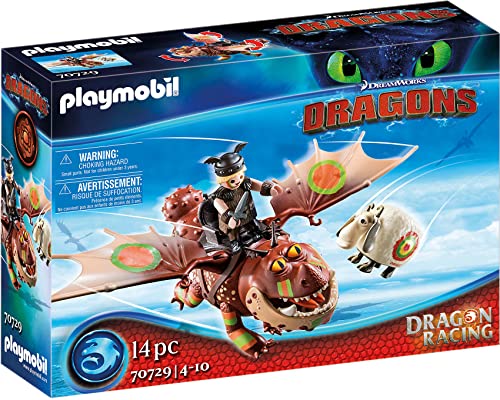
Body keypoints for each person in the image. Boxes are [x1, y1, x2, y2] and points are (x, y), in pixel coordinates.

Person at [203, 143, 282, 252]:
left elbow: (258, 185)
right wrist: (229, 218)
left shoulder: (244, 182)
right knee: (233, 231)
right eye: (232, 181)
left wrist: (270, 189)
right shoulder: (220, 195)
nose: (238, 181)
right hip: (232, 218)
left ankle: (256, 232)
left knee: (252, 222)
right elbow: (220, 206)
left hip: (247, 212)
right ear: (222, 180)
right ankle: (234, 241)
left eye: (240, 176)